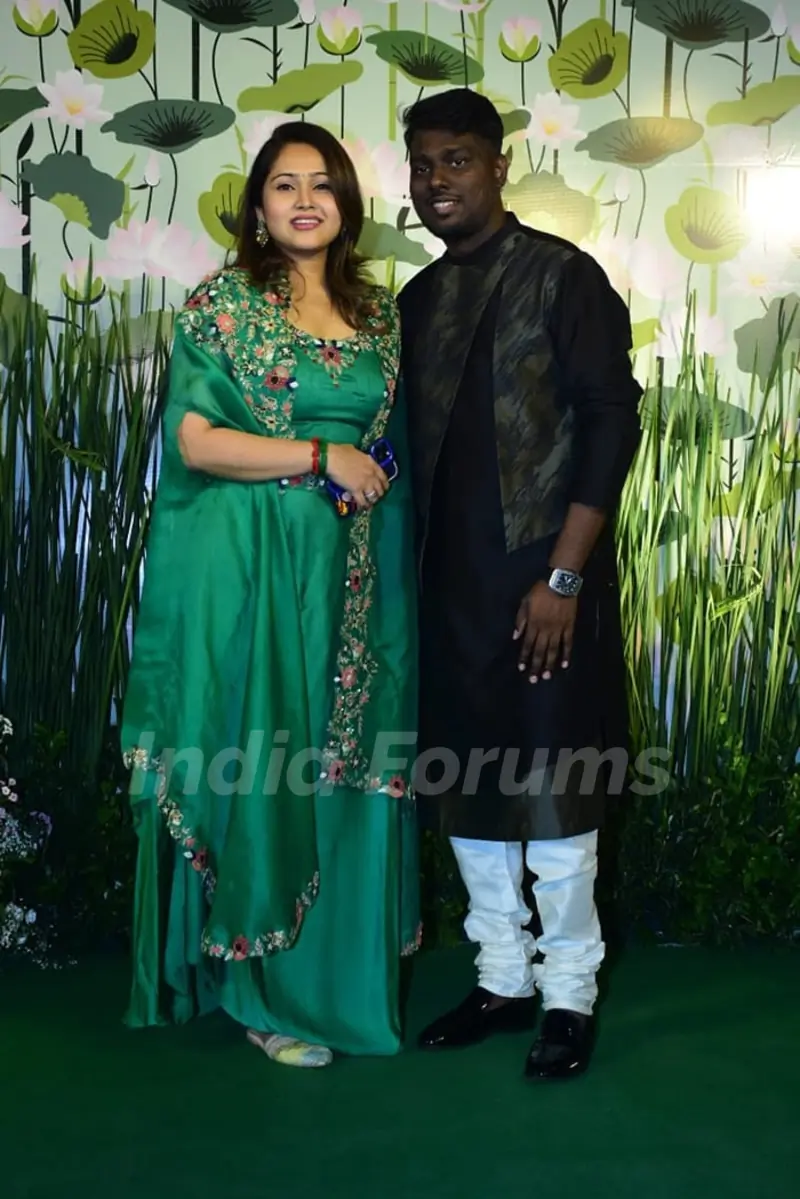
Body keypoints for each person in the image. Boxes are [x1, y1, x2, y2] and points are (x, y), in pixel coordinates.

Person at [120, 121, 420, 1068]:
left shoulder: (379, 315)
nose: (304, 200)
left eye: (322, 183)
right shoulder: (225, 305)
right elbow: (197, 440)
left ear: (346, 204)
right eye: (284, 184)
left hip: (362, 576)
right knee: (270, 759)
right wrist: (320, 455)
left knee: (349, 758)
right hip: (263, 576)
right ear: (258, 205)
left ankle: (343, 986)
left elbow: (396, 441)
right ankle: (263, 997)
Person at [397, 89, 642, 1080]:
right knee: (466, 794)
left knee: (555, 800)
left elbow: (611, 424)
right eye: (422, 164)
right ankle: (500, 977)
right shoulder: (416, 299)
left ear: (499, 165)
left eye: (456, 160)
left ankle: (568, 994)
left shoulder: (563, 276)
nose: (436, 181)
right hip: (447, 595)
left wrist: (562, 575)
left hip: (547, 590)